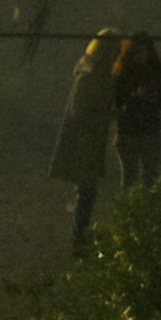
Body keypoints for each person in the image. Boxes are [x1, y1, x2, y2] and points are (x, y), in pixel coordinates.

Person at [51, 28, 118, 251]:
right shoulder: (90, 77)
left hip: (88, 142)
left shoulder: (95, 73)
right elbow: (81, 111)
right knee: (86, 192)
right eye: (115, 50)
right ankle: (80, 238)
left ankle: (81, 236)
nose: (118, 55)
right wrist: (107, 114)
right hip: (84, 144)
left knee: (86, 192)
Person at [112, 30, 161, 190]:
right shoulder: (123, 72)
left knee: (152, 179)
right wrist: (133, 97)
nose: (140, 56)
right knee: (129, 179)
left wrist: (152, 98)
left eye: (143, 51)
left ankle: (148, 206)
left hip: (150, 131)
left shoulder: (156, 71)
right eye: (136, 51)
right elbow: (117, 103)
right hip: (128, 132)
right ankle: (129, 206)